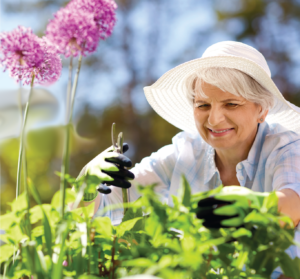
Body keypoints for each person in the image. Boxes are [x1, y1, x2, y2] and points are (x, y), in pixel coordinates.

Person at [77, 41, 300, 279]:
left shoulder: (285, 147)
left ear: (262, 110)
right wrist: (88, 182)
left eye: (231, 104)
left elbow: (293, 204)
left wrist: (254, 206)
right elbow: (108, 201)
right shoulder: (185, 151)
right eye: (203, 105)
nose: (214, 120)